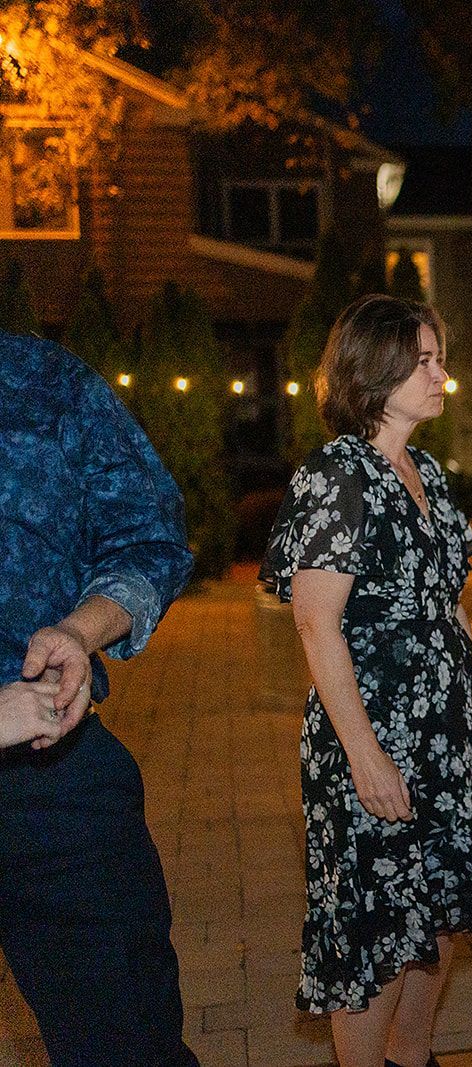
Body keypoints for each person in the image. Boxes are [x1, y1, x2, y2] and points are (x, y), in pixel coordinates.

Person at [261, 295, 472, 1067]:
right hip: (373, 733)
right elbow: (316, 624)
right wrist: (365, 755)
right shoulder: (337, 474)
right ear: (373, 372)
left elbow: (443, 608)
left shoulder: (427, 472)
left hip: (444, 735)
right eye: (423, 361)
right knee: (378, 929)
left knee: (438, 918)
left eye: (438, 357)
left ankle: (411, 1057)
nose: (442, 373)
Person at [0, 334, 197, 1065]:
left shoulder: (44, 382)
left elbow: (149, 537)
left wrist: (81, 631)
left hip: (54, 783)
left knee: (129, 1040)